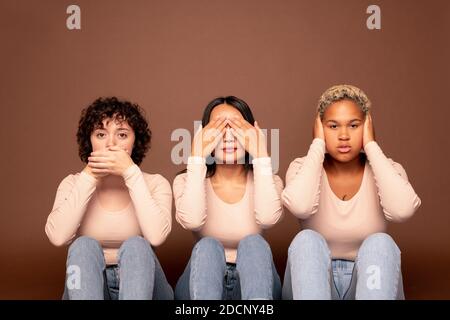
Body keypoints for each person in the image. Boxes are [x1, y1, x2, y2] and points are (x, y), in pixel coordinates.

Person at [282, 85, 421, 300]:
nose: (344, 135)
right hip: (315, 284)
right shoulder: (302, 167)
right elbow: (301, 206)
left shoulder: (388, 169)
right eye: (333, 126)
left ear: (367, 127)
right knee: (306, 240)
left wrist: (372, 146)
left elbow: (402, 211)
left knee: (380, 242)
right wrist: (318, 144)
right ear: (319, 127)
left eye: (354, 125)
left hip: (367, 284)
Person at [45, 97, 173, 300]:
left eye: (122, 135)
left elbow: (156, 237)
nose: (111, 143)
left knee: (137, 245)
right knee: (82, 245)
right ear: (90, 142)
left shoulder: (155, 183)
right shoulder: (73, 183)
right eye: (101, 134)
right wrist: (89, 176)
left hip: (144, 287)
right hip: (88, 287)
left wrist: (131, 173)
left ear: (135, 142)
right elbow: (58, 237)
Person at [173, 96, 283, 300]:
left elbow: (268, 218)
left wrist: (261, 155)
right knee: (207, 246)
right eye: (218, 128)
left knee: (254, 244)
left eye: (237, 127)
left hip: (254, 284)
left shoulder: (270, 180)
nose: (228, 137)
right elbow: (192, 220)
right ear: (204, 135)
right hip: (201, 283)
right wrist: (197, 155)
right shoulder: (186, 180)